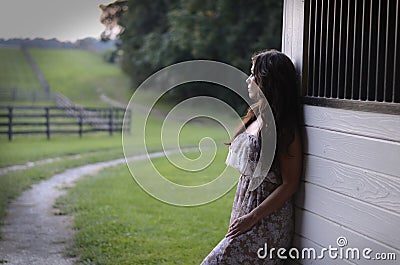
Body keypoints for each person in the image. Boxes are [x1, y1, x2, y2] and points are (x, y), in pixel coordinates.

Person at [201, 50, 303, 265]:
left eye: (254, 75)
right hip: (245, 207)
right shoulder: (257, 115)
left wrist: (252, 218)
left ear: (268, 80)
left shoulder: (285, 127)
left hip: (267, 218)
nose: (249, 80)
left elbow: (290, 183)